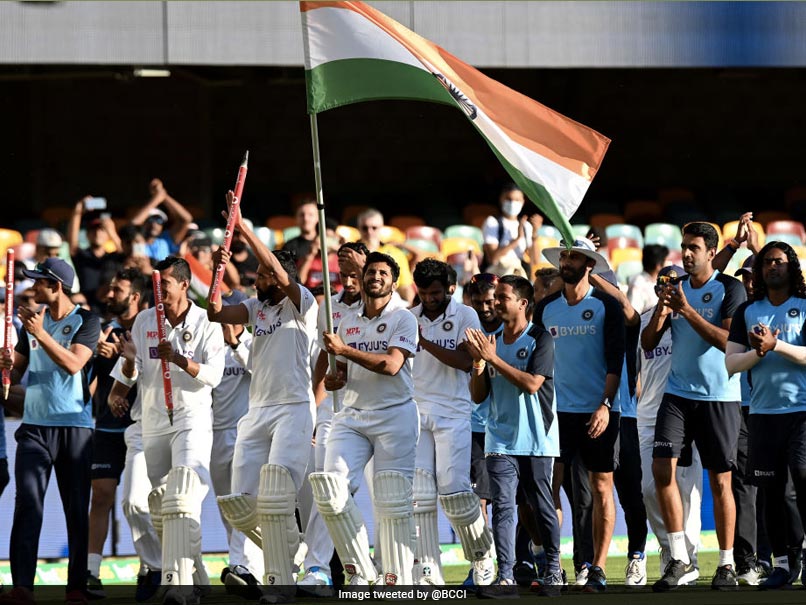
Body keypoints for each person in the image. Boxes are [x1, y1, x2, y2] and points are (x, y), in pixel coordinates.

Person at [207, 194, 319, 596]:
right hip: (257, 411)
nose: (256, 280)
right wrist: (217, 273)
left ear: (280, 276)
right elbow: (215, 312)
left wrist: (241, 227)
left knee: (278, 492)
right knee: (242, 497)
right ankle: (245, 565)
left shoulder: (302, 304)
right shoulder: (257, 307)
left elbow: (275, 267)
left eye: (263, 275)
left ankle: (285, 565)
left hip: (294, 409)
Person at [109, 256, 225, 602]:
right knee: (160, 506)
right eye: (155, 285)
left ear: (185, 285)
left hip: (191, 420)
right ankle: (198, 575)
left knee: (182, 499)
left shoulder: (207, 322)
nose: (158, 291)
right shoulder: (145, 320)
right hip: (153, 422)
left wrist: (177, 358)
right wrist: (128, 364)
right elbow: (133, 373)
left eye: (166, 285)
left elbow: (214, 376)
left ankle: (180, 586)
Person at [641, 221, 746, 591]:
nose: (686, 253)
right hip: (677, 395)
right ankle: (679, 557)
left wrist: (686, 311)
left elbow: (730, 342)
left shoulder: (729, 288)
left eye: (694, 248)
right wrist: (662, 310)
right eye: (684, 246)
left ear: (711, 253)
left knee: (720, 481)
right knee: (661, 470)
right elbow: (648, 343)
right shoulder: (676, 288)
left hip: (720, 397)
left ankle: (726, 563)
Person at [312, 251, 419, 586]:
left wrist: (344, 351)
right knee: (332, 492)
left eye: (383, 273)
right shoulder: (346, 322)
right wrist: (334, 379)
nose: (375, 277)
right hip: (352, 416)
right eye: (371, 272)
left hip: (395, 415)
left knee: (392, 501)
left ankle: (397, 578)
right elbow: (341, 373)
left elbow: (391, 365)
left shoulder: (403, 319)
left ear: (394, 282)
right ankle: (361, 570)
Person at [0, 257, 101, 605]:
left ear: (56, 286)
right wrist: (6, 365)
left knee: (76, 509)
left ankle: (76, 587)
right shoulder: (32, 324)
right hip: (34, 428)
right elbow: (14, 376)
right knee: (27, 504)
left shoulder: (87, 320)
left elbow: (74, 364)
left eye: (37, 282)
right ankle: (22, 587)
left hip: (74, 428)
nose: (31, 288)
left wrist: (40, 334)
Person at [534, 237, 625, 591]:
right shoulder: (545, 308)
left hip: (597, 411)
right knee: (550, 489)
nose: (566, 262)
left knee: (602, 487)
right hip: (555, 414)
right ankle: (553, 566)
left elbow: (615, 361)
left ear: (589, 265)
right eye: (564, 257)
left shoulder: (606, 305)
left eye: (574, 257)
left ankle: (597, 568)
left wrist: (605, 405)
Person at [466, 275, 562, 597]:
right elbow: (479, 395)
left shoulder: (540, 338)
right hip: (499, 438)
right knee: (503, 507)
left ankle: (553, 569)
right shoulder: (491, 340)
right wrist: (479, 363)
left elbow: (533, 384)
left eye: (502, 297)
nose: (495, 303)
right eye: (495, 297)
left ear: (522, 303)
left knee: (540, 506)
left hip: (536, 439)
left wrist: (492, 358)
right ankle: (505, 577)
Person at [725, 241, 806, 589]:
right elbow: (731, 363)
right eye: (768, 262)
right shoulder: (747, 311)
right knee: (770, 492)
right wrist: (759, 353)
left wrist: (776, 346)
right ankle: (782, 564)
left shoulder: (804, 305)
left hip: (801, 411)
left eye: (780, 262)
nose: (773, 267)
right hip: (762, 414)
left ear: (792, 267)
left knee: (802, 477)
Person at [408, 260, 494, 586]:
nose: (429, 299)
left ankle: (482, 556)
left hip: (453, 412)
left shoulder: (465, 315)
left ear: (449, 289)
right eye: (424, 293)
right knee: (419, 495)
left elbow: (465, 361)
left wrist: (424, 342)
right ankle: (428, 570)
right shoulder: (408, 316)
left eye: (435, 293)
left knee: (454, 491)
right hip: (416, 413)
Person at [299, 242, 368, 592]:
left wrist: (366, 266)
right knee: (328, 486)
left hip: (380, 410)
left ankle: (387, 568)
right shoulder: (330, 305)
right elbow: (323, 359)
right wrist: (315, 408)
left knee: (386, 497)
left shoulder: (389, 306)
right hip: (335, 410)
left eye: (357, 273)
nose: (349, 280)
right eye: (344, 274)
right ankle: (317, 567)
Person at [636, 265, 703, 581]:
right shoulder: (643, 323)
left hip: (685, 414)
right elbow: (639, 366)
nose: (670, 288)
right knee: (649, 489)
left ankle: (688, 557)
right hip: (648, 416)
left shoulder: (692, 319)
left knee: (687, 491)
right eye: (664, 283)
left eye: (676, 283)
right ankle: (671, 550)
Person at [86, 269, 148, 598]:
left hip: (145, 427)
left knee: (144, 500)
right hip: (108, 428)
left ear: (135, 296)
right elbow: (92, 383)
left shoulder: (150, 329)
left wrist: (125, 359)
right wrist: (97, 355)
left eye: (118, 290)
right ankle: (92, 571)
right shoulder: (105, 331)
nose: (110, 294)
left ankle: (149, 566)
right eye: (111, 288)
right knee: (101, 496)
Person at [207, 289, 260, 594]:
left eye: (230, 312)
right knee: (228, 506)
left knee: (244, 502)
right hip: (216, 435)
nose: (225, 319)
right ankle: (239, 566)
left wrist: (236, 343)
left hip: (246, 433)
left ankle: (244, 566)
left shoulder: (255, 342)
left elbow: (260, 371)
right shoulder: (212, 346)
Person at [67, 197, 124, 313]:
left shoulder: (113, 257)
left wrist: (111, 231)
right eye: (93, 230)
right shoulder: (82, 256)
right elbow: (72, 243)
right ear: (87, 234)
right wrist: (78, 211)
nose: (97, 233)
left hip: (110, 309)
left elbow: (125, 253)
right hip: (86, 309)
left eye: (102, 230)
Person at [481, 183, 540, 276]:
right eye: (509, 199)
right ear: (501, 199)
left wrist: (534, 235)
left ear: (523, 202)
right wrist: (517, 239)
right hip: (498, 274)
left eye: (517, 200)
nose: (512, 203)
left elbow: (535, 262)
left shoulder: (526, 226)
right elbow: (493, 259)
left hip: (518, 273)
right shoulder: (492, 222)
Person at [356, 209, 414, 304]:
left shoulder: (396, 253)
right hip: (357, 301)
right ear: (358, 228)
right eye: (365, 228)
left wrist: (410, 306)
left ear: (381, 228)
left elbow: (404, 286)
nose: (369, 232)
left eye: (374, 228)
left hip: (390, 302)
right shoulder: (351, 252)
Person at [130, 179, 193, 263]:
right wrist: (157, 198)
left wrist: (164, 195)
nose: (154, 224)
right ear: (144, 222)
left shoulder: (166, 240)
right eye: (150, 219)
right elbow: (133, 224)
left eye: (159, 220)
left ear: (163, 225)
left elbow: (186, 219)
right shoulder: (138, 240)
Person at [627, 244, 669, 314]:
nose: (669, 264)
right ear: (658, 265)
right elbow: (633, 315)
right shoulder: (638, 283)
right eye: (666, 261)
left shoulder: (664, 281)